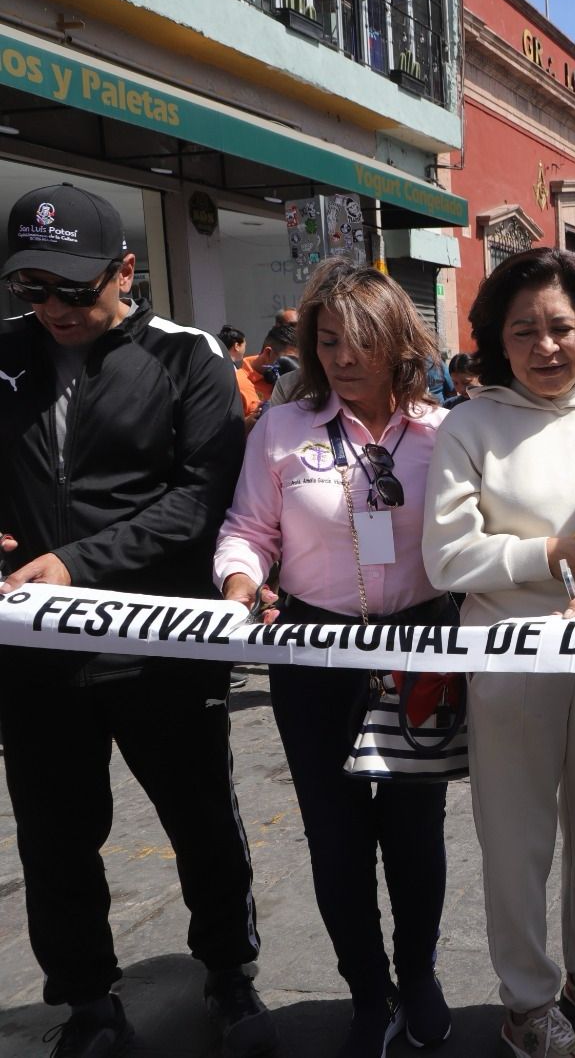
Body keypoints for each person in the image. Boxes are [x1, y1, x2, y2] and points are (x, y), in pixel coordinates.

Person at [0, 182, 274, 1057]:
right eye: (31, 290)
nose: (54, 310)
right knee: (53, 839)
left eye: (74, 290)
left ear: (125, 270)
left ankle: (230, 976)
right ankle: (85, 1001)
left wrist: (80, 562)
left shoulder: (186, 357)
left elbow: (201, 501)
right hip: (37, 658)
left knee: (201, 822)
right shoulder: (1, 354)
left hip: (160, 649)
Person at [423, 247, 575, 1058]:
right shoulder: (471, 424)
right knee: (516, 835)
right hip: (508, 661)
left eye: (561, 326)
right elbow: (446, 556)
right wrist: (547, 556)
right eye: (524, 330)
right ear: (498, 338)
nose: (546, 346)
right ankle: (527, 998)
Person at [214, 257, 453, 1057]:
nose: (343, 359)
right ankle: (366, 989)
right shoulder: (281, 430)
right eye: (327, 342)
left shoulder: (441, 433)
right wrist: (241, 581)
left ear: (396, 341)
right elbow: (248, 527)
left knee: (416, 833)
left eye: (360, 342)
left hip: (420, 650)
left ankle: (418, 974)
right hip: (314, 660)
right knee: (336, 838)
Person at [242, 320, 295, 403]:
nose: (294, 366)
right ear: (268, 353)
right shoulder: (237, 385)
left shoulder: (294, 382)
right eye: (289, 360)